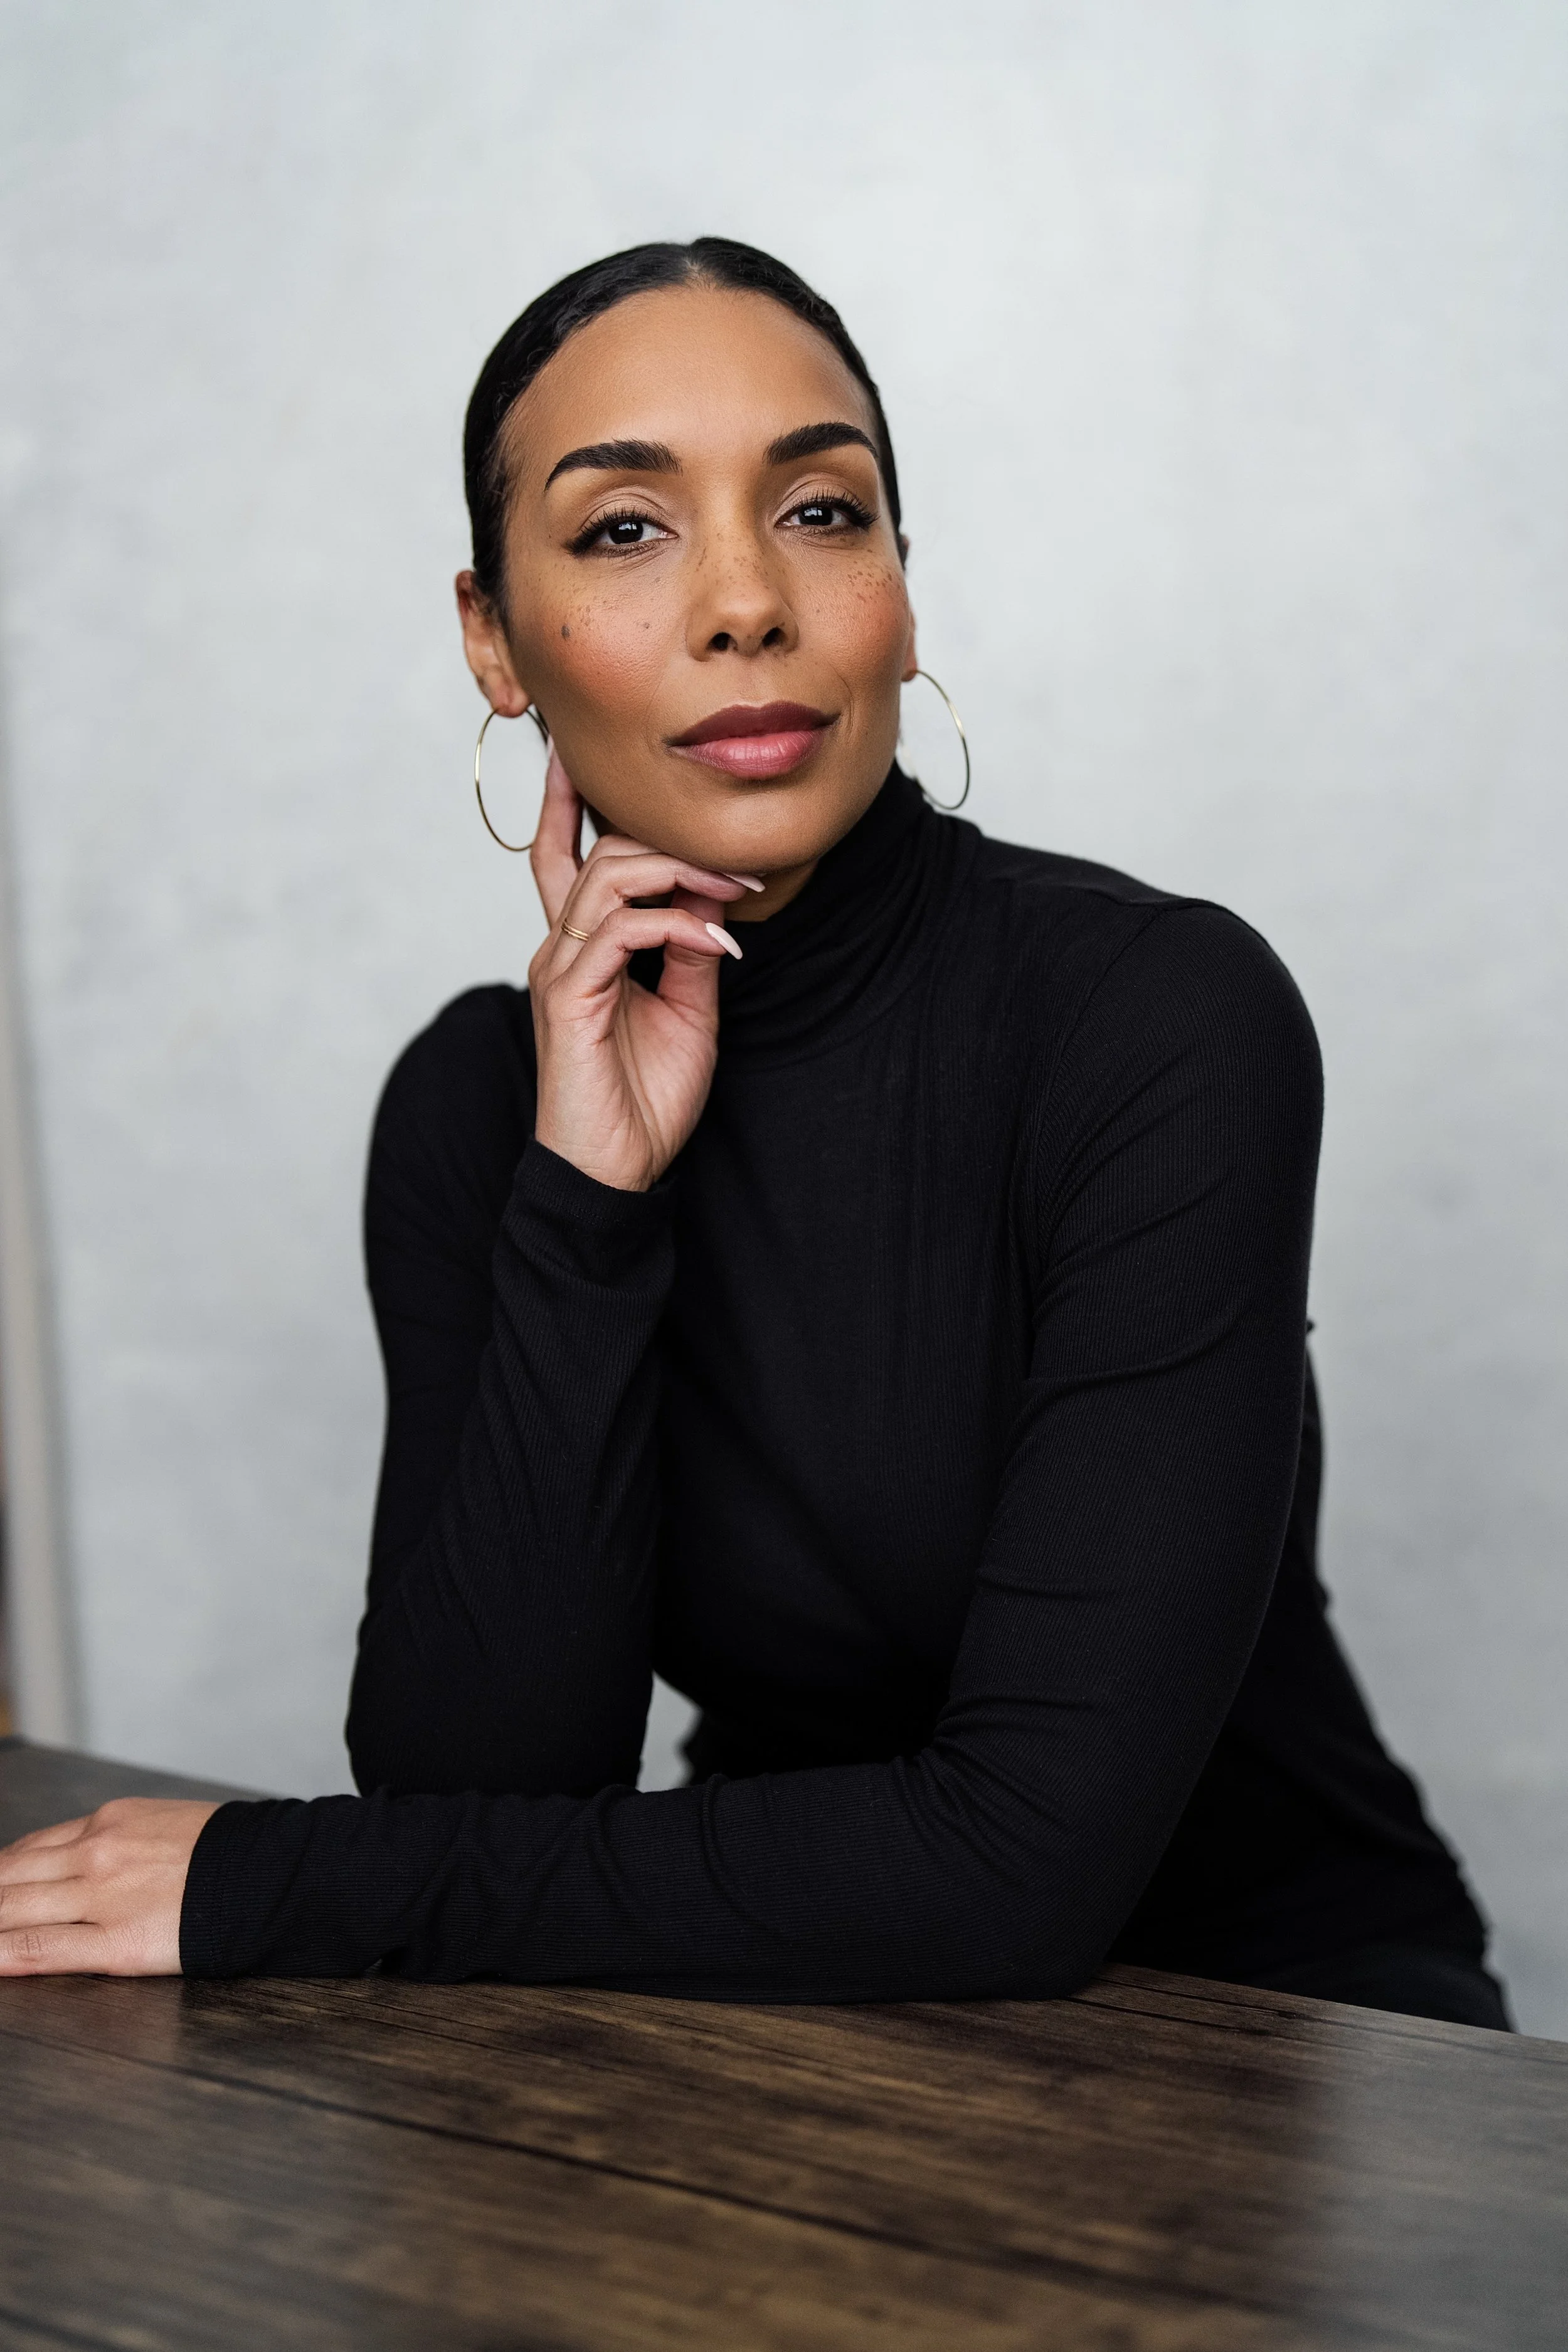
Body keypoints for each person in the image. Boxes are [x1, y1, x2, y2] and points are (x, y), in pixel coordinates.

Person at [0, 239, 1509, 2028]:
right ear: (493, 638)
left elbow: (1021, 1863)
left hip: (1288, 2034)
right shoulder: (476, 1105)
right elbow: (481, 1785)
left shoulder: (1158, 1017)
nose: (743, 601)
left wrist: (272, 1878)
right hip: (761, 2013)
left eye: (819, 509)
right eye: (625, 528)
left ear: (901, 594)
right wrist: (587, 1197)